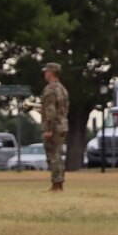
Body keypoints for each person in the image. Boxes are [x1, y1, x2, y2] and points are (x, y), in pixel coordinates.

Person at [40, 62, 69, 192]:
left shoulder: (49, 89)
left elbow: (51, 111)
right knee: (58, 154)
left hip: (54, 127)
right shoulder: (62, 89)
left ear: (51, 73)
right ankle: (59, 181)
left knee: (53, 155)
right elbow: (63, 109)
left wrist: (48, 129)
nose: (45, 74)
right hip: (62, 124)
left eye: (46, 71)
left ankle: (56, 183)